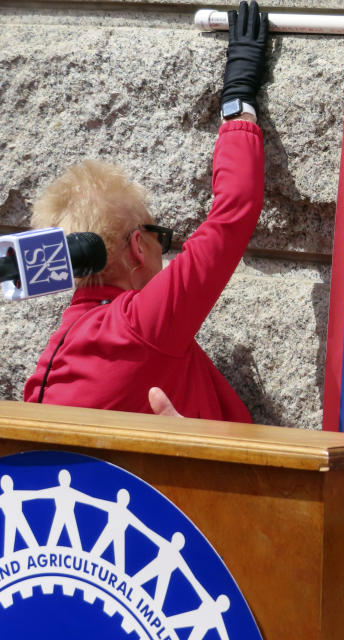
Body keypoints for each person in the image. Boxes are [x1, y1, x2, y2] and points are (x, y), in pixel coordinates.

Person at [23, 1, 270, 422]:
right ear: (137, 246)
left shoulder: (62, 344)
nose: (164, 251)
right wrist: (237, 99)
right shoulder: (140, 324)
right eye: (159, 234)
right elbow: (234, 212)